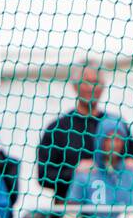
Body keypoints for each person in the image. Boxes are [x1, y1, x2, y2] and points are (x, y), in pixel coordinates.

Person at [64, 115, 133, 218]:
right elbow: (71, 211)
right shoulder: (86, 174)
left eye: (117, 139)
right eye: (108, 138)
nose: (113, 144)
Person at [37, 64, 107, 201]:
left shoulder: (115, 126)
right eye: (86, 82)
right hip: (68, 213)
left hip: (109, 212)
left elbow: (132, 163)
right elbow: (44, 176)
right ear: (75, 86)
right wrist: (74, 172)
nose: (91, 88)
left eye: (96, 82)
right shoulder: (58, 129)